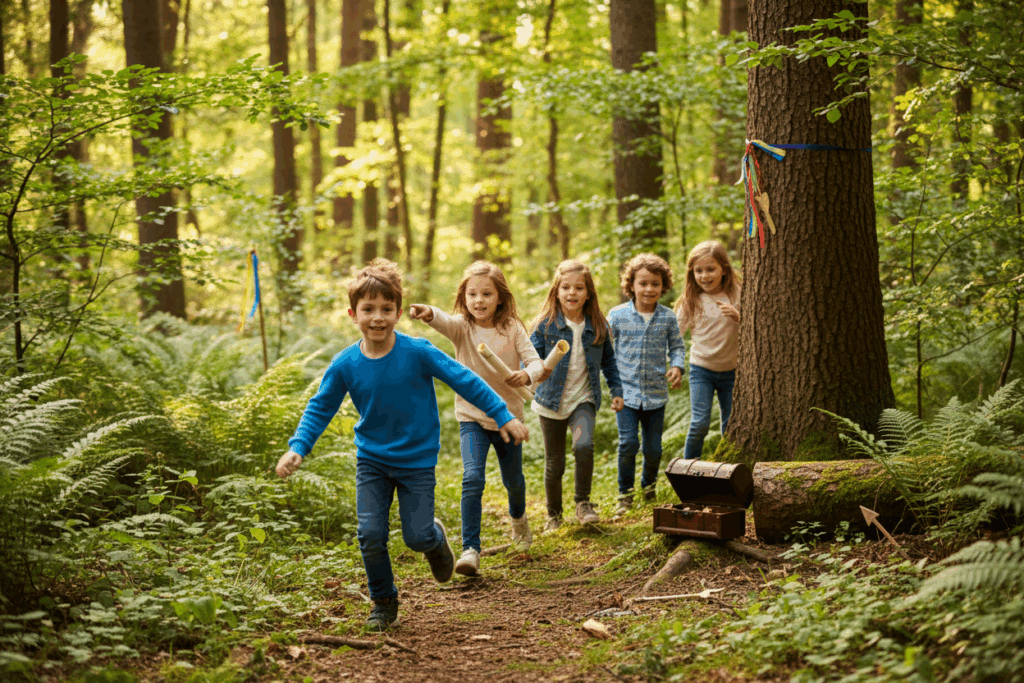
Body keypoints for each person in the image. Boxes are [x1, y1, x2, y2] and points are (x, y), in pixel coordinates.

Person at [275, 259, 529, 631]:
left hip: (417, 462)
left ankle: (434, 538)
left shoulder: (418, 351)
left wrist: (503, 414)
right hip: (372, 461)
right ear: (353, 313)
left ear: (397, 312)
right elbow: (320, 407)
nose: (377, 318)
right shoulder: (345, 363)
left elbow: (466, 380)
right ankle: (383, 600)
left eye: (386, 309)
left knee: (416, 536)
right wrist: (298, 446)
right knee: (370, 533)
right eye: (368, 310)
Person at [408, 261, 544, 577]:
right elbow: (441, 321)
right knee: (472, 478)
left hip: (509, 418)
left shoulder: (512, 328)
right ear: (464, 297)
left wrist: (526, 374)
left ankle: (519, 520)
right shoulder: (463, 328)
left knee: (514, 482)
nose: (478, 300)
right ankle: (471, 549)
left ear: (500, 297)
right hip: (472, 417)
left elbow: (535, 361)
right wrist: (428, 312)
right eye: (472, 294)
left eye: (486, 294)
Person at [529, 259, 623, 530]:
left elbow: (610, 361)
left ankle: (583, 503)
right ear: (556, 292)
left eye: (579, 288)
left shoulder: (599, 325)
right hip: (550, 401)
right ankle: (553, 515)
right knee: (554, 462)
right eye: (566, 287)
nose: (572, 293)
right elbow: (528, 357)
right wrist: (533, 371)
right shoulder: (544, 326)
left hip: (584, 398)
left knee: (583, 446)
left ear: (588, 292)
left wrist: (616, 390)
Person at [607, 253, 687, 518]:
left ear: (664, 287)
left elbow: (676, 346)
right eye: (643, 283)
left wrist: (677, 366)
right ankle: (625, 494)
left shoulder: (667, 317)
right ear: (631, 285)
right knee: (628, 443)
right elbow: (605, 351)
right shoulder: (617, 316)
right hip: (625, 394)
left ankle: (649, 486)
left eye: (655, 284)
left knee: (653, 449)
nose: (649, 289)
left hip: (655, 395)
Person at [674, 241, 741, 461]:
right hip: (701, 370)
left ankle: (728, 469)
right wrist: (675, 364)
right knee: (699, 422)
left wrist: (738, 317)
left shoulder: (737, 294)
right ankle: (687, 470)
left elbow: (756, 332)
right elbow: (675, 335)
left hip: (732, 371)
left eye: (710, 269)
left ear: (723, 268)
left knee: (731, 424)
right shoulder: (691, 301)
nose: (704, 276)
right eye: (699, 271)